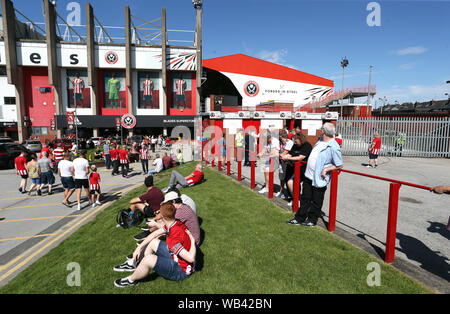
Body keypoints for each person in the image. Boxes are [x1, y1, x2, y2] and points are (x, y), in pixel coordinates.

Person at [113, 202, 196, 287]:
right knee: (153, 242)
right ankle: (137, 264)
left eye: (158, 212)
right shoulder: (175, 223)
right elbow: (154, 234)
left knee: (149, 259)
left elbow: (191, 258)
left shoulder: (173, 239)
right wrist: (138, 248)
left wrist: (192, 242)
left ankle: (131, 280)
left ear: (162, 216)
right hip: (177, 258)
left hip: (181, 271)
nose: (156, 212)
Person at [287, 123, 343, 227]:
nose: (320, 130)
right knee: (305, 198)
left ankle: (312, 220)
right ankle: (299, 218)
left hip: (319, 178)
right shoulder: (320, 140)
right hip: (309, 175)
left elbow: (339, 165)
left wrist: (326, 169)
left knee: (316, 200)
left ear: (324, 131)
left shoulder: (334, 146)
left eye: (321, 129)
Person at [282, 134, 313, 206]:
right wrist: (284, 156)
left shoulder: (307, 145)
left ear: (301, 140)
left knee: (306, 187)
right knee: (290, 182)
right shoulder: (295, 145)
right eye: (294, 141)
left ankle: (301, 201)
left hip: (305, 169)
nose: (294, 143)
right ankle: (295, 198)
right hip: (296, 168)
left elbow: (301, 157)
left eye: (296, 141)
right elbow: (290, 154)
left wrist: (288, 158)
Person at [276, 130, 294, 199]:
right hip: (281, 162)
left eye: (280, 138)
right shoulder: (280, 142)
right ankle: (281, 191)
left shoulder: (289, 142)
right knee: (281, 177)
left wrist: (277, 154)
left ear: (281, 136)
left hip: (288, 163)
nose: (280, 139)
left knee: (287, 178)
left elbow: (284, 153)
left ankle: (290, 195)